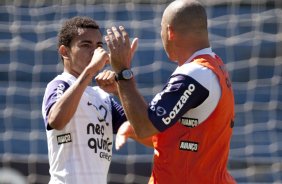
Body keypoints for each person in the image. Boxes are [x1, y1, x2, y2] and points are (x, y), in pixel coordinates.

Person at [105, 0, 236, 183]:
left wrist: (122, 72)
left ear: (170, 31)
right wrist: (121, 88)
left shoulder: (195, 74)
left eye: (161, 29)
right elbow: (169, 136)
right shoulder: (212, 65)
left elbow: (145, 127)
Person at [41, 16, 128, 184]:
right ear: (64, 52)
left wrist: (120, 90)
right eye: (85, 45)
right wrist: (91, 70)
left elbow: (142, 126)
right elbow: (56, 121)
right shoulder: (60, 84)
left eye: (99, 46)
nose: (95, 52)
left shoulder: (103, 96)